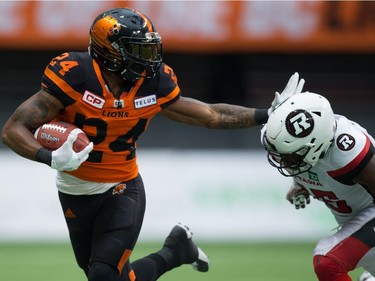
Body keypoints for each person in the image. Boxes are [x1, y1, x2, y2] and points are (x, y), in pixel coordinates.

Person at [1, 7, 304, 281]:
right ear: (109, 52)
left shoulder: (153, 82)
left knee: (103, 276)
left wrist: (267, 114)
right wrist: (49, 157)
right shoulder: (76, 75)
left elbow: (211, 114)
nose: (149, 58)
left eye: (149, 48)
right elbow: (13, 129)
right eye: (137, 49)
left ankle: (175, 251)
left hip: (122, 186)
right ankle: (176, 250)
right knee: (111, 277)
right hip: (73, 190)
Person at [261, 91, 375, 281]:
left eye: (290, 156)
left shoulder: (347, 151)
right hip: (356, 219)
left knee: (328, 261)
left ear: (316, 144)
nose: (283, 162)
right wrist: (301, 185)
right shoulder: (278, 137)